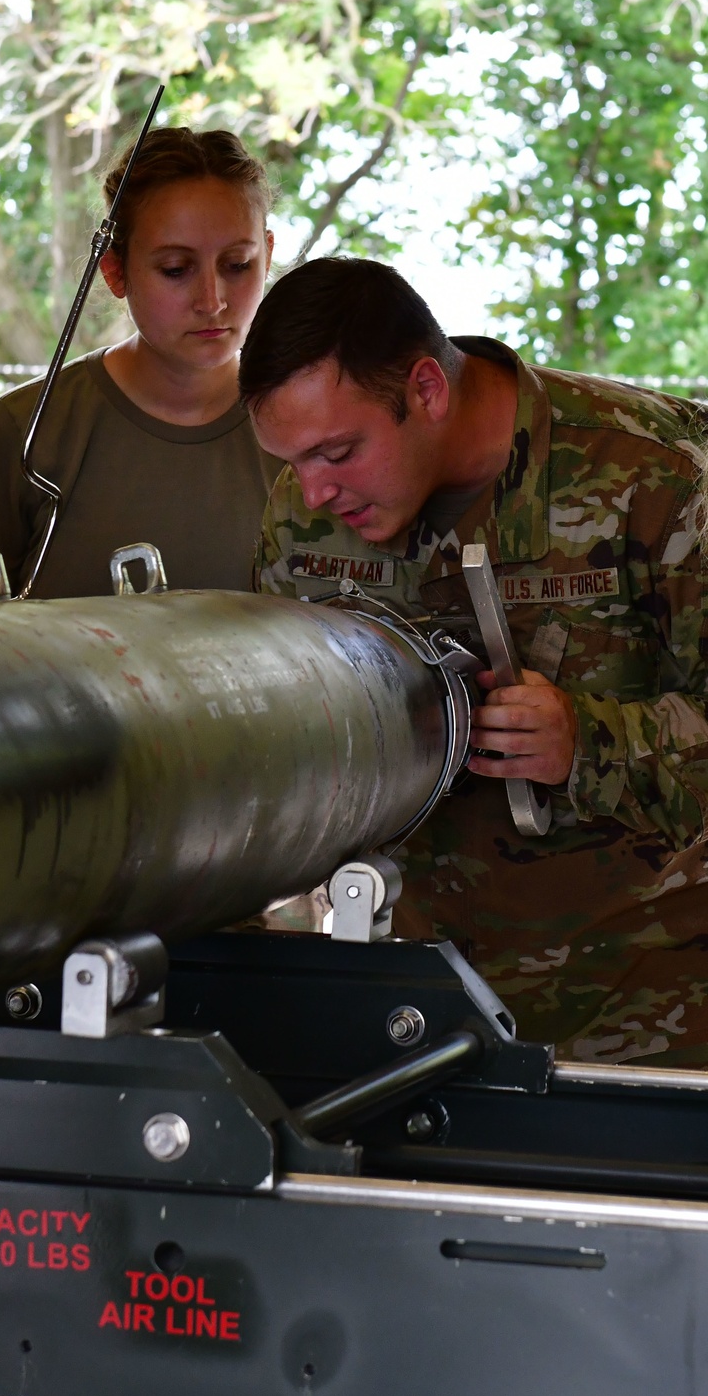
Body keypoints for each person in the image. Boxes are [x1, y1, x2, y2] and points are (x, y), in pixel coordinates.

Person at [240, 255, 708, 1065]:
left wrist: (586, 742)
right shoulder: (307, 514)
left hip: (655, 1012)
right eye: (292, 461)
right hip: (420, 1011)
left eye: (338, 451)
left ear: (427, 390)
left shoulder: (657, 473)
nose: (312, 492)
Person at [0, 127, 284, 598]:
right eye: (176, 269)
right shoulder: (28, 432)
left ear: (268, 254)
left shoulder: (310, 438)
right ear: (114, 271)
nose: (212, 301)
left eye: (237, 264)